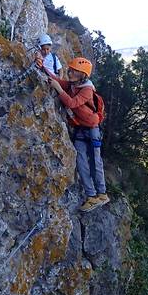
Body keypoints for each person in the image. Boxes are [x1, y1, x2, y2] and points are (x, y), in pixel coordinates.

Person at [39, 56, 109, 212]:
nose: (70, 72)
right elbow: (57, 80)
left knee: (95, 162)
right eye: (71, 70)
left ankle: (102, 194)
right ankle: (91, 196)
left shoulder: (87, 90)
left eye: (74, 71)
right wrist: (42, 67)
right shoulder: (73, 84)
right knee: (81, 161)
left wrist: (58, 88)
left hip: (92, 130)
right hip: (80, 129)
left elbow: (72, 102)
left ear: (82, 74)